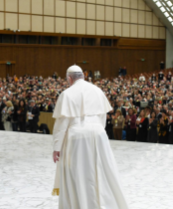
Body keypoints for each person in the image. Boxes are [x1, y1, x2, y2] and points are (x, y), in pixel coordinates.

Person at [52, 65, 128, 209]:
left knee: (78, 176)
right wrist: (98, 134)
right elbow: (102, 118)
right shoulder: (97, 90)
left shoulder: (67, 94)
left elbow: (62, 125)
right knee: (102, 173)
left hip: (76, 137)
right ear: (83, 76)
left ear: (69, 78)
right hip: (99, 134)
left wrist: (57, 147)